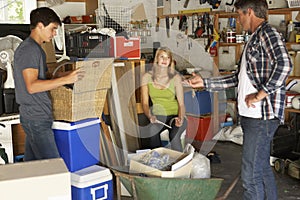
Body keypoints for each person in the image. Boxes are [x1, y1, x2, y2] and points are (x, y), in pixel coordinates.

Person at [188, 0, 292, 199]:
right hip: (251, 116)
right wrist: (205, 82)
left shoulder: (267, 34)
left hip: (261, 116)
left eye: (239, 15)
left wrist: (261, 93)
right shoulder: (254, 38)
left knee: (250, 176)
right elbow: (237, 78)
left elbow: (285, 65)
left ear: (249, 12)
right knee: (260, 169)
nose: (238, 20)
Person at [13, 7, 84, 161]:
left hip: (37, 116)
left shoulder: (36, 49)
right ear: (39, 26)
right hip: (36, 118)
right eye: (52, 29)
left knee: (34, 168)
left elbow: (43, 78)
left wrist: (63, 75)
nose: (54, 34)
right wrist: (65, 80)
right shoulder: (30, 50)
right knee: (54, 167)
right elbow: (32, 86)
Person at [141, 47, 187, 152]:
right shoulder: (146, 77)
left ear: (170, 61)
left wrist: (181, 118)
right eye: (162, 56)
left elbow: (181, 104)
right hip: (158, 116)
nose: (165, 60)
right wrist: (150, 116)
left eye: (168, 58)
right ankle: (159, 161)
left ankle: (179, 164)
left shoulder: (176, 78)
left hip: (175, 115)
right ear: (156, 59)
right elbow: (144, 103)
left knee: (174, 136)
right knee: (152, 131)